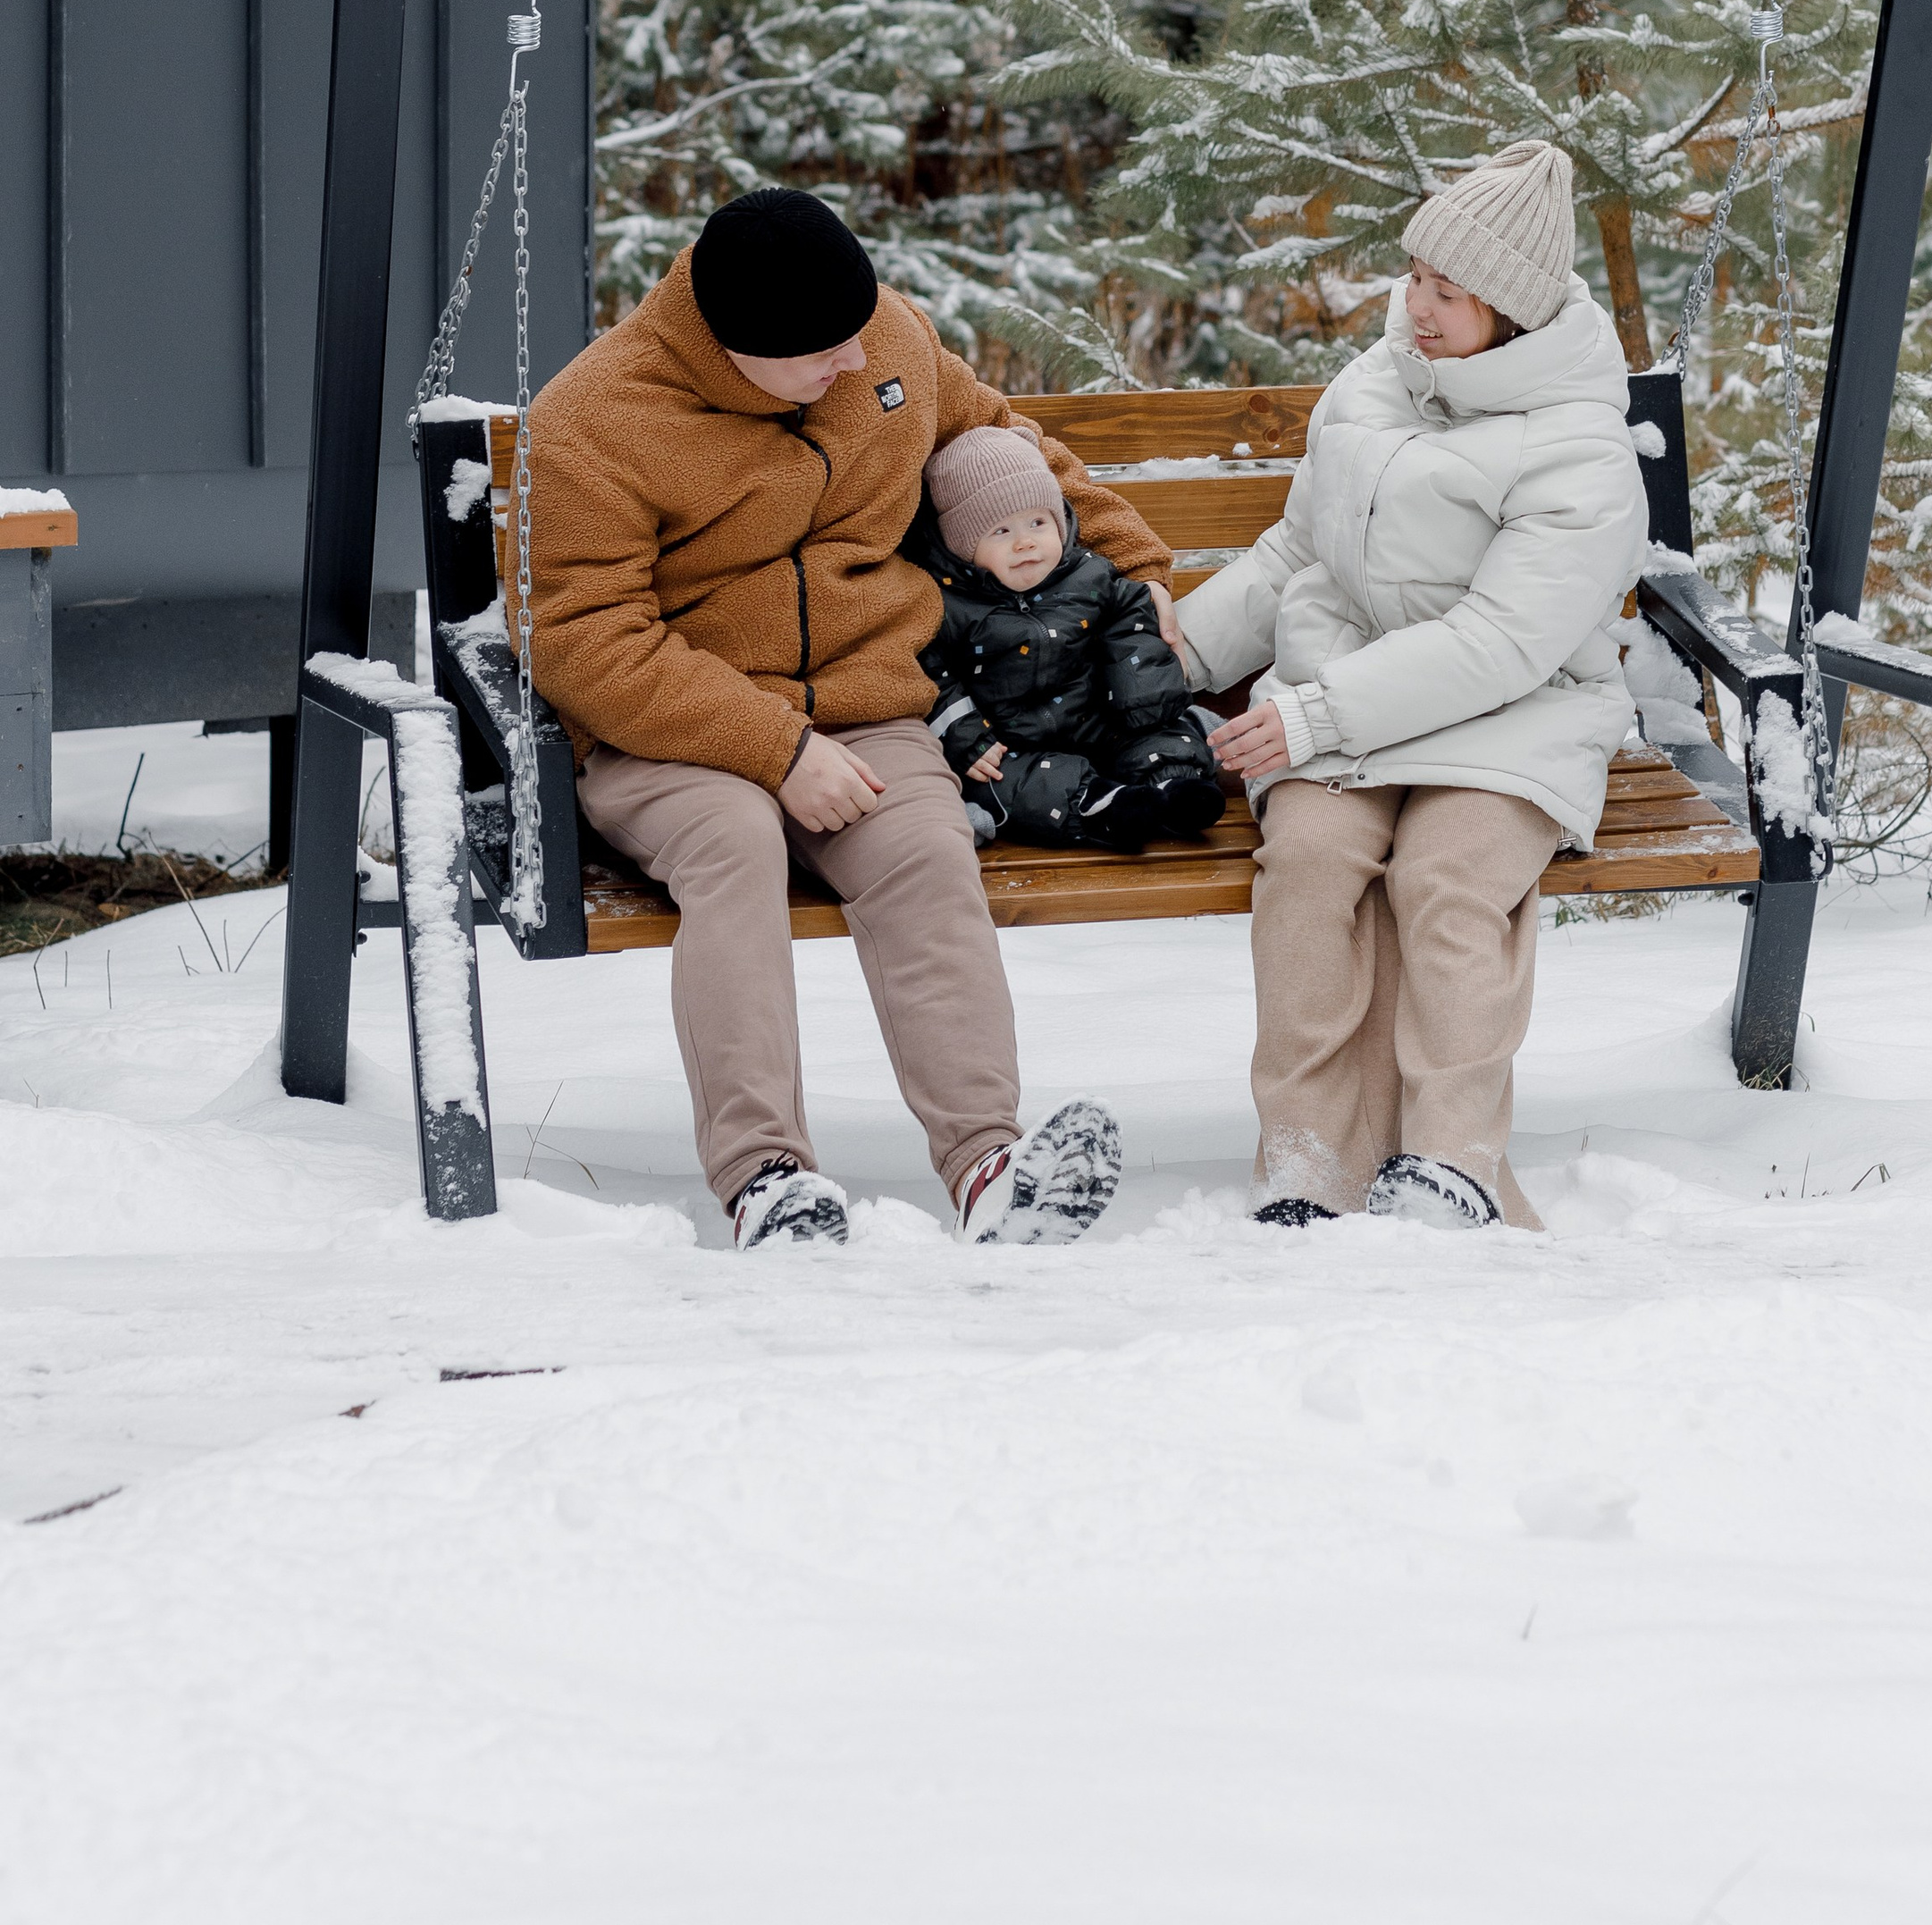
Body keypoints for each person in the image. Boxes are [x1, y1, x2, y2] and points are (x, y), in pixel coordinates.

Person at [522, 186, 1181, 1252]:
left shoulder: (887, 339)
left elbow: (1007, 445)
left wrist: (1136, 563)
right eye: (814, 355)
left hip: (868, 703)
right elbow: (587, 640)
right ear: (732, 346)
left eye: (853, 334)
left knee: (924, 848)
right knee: (733, 848)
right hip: (672, 732)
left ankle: (992, 1166)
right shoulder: (595, 420)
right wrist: (775, 751)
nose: (847, 362)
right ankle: (765, 1176)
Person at [1176, 139, 1649, 1232]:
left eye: (1451, 293)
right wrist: (1182, 659)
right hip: (1341, 691)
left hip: (1512, 715)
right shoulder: (1375, 381)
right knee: (1309, 864)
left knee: (1444, 878)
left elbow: (1498, 642)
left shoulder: (1578, 451)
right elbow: (1298, 549)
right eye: (1417, 279)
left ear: (1516, 315)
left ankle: (1453, 1161)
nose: (1420, 308)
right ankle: (1306, 1155)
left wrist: (1309, 714)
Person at [910, 430, 1224, 853]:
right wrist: (966, 736)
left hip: (1103, 720)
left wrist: (1144, 697)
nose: (1025, 542)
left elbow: (1131, 627)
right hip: (1011, 743)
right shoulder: (944, 606)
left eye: (1038, 522)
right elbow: (927, 671)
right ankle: (1105, 808)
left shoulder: (1092, 576)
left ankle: (1173, 789)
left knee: (1164, 734)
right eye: (1000, 531)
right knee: (1005, 784)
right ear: (963, 545)